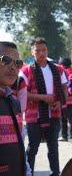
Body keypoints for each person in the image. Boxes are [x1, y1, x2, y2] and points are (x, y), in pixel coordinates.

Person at [20, 37, 67, 176]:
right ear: (32, 52)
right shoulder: (25, 71)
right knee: (33, 147)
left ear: (47, 51)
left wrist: (60, 101)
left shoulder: (58, 69)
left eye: (44, 50)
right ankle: (28, 173)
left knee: (53, 147)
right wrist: (43, 98)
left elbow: (65, 89)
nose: (41, 53)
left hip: (54, 114)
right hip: (34, 116)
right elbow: (23, 94)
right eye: (38, 50)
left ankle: (55, 173)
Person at [0, 41, 26, 175]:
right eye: (6, 60)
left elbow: (20, 143)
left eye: (18, 63)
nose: (13, 67)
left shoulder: (14, 101)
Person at [58, 57, 72, 143]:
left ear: (62, 64)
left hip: (65, 100)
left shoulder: (62, 72)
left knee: (64, 119)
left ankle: (64, 136)